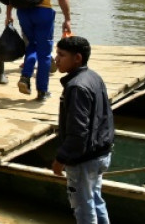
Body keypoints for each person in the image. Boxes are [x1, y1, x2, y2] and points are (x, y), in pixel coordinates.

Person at [52, 36, 114, 224]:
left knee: (83, 207)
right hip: (102, 152)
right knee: (95, 198)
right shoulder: (94, 76)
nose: (56, 59)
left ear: (77, 58)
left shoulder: (76, 87)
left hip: (84, 158)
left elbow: (78, 131)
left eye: (61, 55)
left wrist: (60, 159)